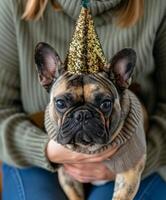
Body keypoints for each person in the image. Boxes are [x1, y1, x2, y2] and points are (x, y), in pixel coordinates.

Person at [0, 0, 166, 199]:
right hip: (36, 152)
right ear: (46, 75)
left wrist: (134, 161)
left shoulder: (157, 5)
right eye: (62, 103)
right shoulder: (13, 4)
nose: (82, 117)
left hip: (136, 151)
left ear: (122, 79)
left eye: (103, 103)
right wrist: (46, 150)